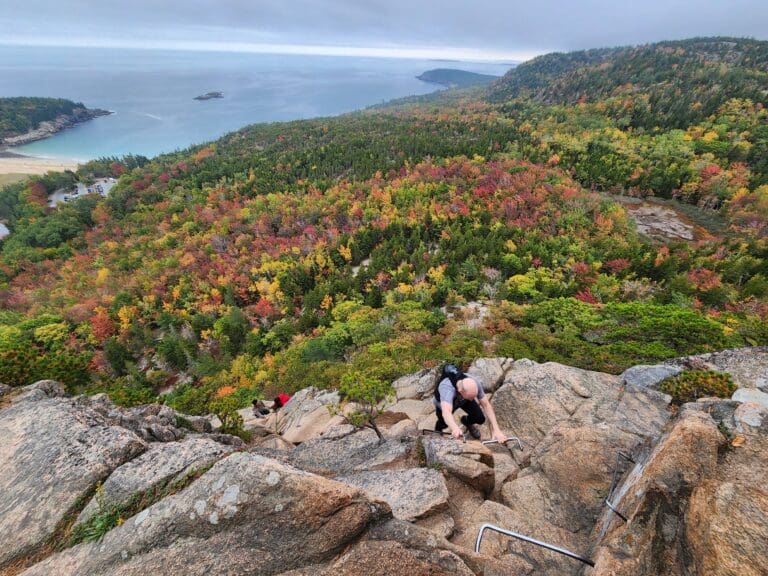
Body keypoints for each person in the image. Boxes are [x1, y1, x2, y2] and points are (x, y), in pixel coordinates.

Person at [433, 371, 507, 442]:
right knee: (444, 423)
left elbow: (486, 405)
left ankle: (466, 421)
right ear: (461, 391)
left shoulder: (474, 383)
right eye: (471, 397)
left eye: (474, 396)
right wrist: (455, 428)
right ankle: (438, 430)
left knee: (479, 418)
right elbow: (446, 412)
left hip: (465, 400)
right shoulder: (447, 388)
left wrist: (496, 430)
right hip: (444, 403)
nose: (473, 399)